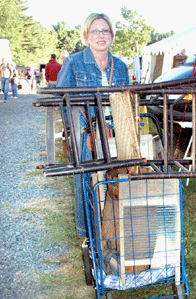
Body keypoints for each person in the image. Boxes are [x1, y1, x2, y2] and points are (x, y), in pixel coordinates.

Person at [57, 13, 129, 237]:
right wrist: (75, 127)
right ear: (87, 36)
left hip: (112, 128)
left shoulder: (121, 66)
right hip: (84, 129)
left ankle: (113, 225)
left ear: (112, 36)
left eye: (105, 31)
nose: (101, 35)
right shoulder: (73, 62)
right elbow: (60, 97)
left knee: (117, 174)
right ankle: (87, 232)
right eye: (95, 31)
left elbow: (125, 99)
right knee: (85, 178)